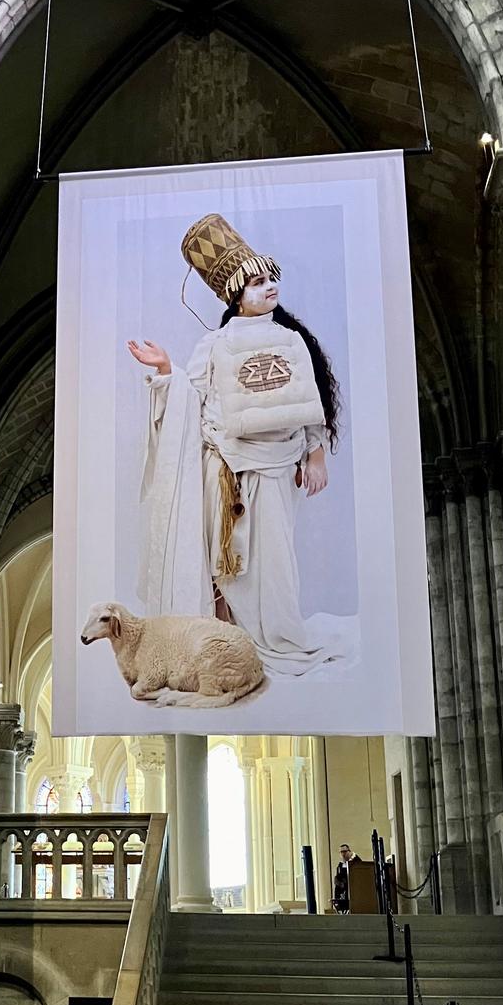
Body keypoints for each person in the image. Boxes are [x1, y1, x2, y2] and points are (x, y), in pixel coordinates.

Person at [127, 212, 357, 678]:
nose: (267, 287)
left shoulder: (292, 341)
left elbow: (305, 402)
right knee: (225, 562)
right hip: (226, 471)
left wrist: (315, 454)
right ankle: (229, 638)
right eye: (253, 283)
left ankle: (278, 637)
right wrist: (168, 371)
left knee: (275, 566)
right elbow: (192, 402)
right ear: (235, 295)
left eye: (269, 278)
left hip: (276, 471)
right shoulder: (214, 345)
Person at [333, 842, 353, 915]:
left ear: (349, 852)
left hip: (351, 892)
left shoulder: (354, 863)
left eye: (345, 851)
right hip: (341, 892)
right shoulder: (340, 865)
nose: (343, 854)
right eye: (341, 852)